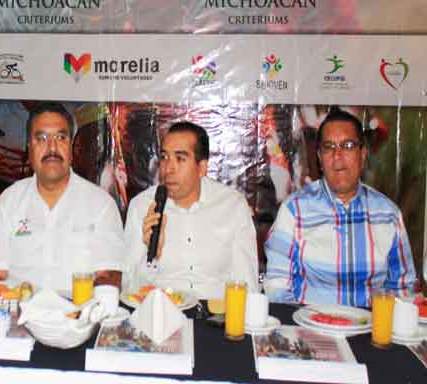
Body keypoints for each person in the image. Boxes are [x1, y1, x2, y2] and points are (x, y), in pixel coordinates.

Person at [264, 109, 417, 306]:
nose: (338, 156)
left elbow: (403, 289)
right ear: (320, 157)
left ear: (362, 155)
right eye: (329, 147)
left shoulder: (388, 215)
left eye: (348, 146)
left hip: (372, 324)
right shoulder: (294, 211)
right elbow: (277, 289)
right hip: (309, 323)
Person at [0, 102, 124, 292]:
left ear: (71, 147)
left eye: (61, 137)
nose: (52, 148)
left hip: (81, 309)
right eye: (41, 138)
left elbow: (110, 276)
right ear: (29, 148)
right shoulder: (7, 204)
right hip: (19, 308)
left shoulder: (101, 205)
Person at [124, 122, 258, 299]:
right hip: (161, 310)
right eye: (164, 157)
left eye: (180, 159)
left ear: (201, 168)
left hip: (217, 311)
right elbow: (128, 288)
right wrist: (152, 256)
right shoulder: (142, 207)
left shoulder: (233, 206)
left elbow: (247, 285)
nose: (168, 168)